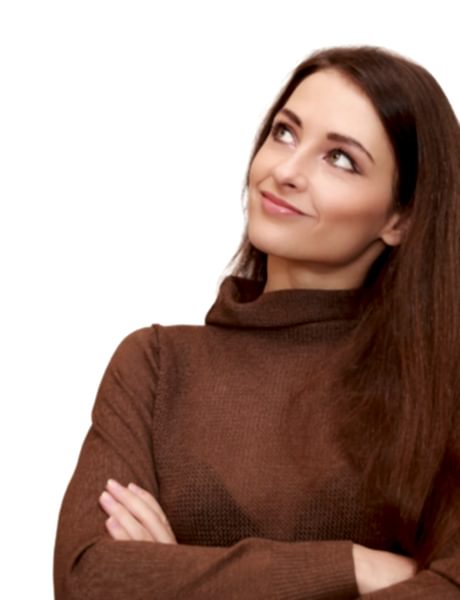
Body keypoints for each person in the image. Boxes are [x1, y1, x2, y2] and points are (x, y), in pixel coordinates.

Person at [54, 46, 460, 599]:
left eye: (340, 159)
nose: (284, 171)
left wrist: (178, 578)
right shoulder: (156, 367)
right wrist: (356, 567)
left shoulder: (439, 389)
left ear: (400, 217)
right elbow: (87, 578)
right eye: (284, 133)